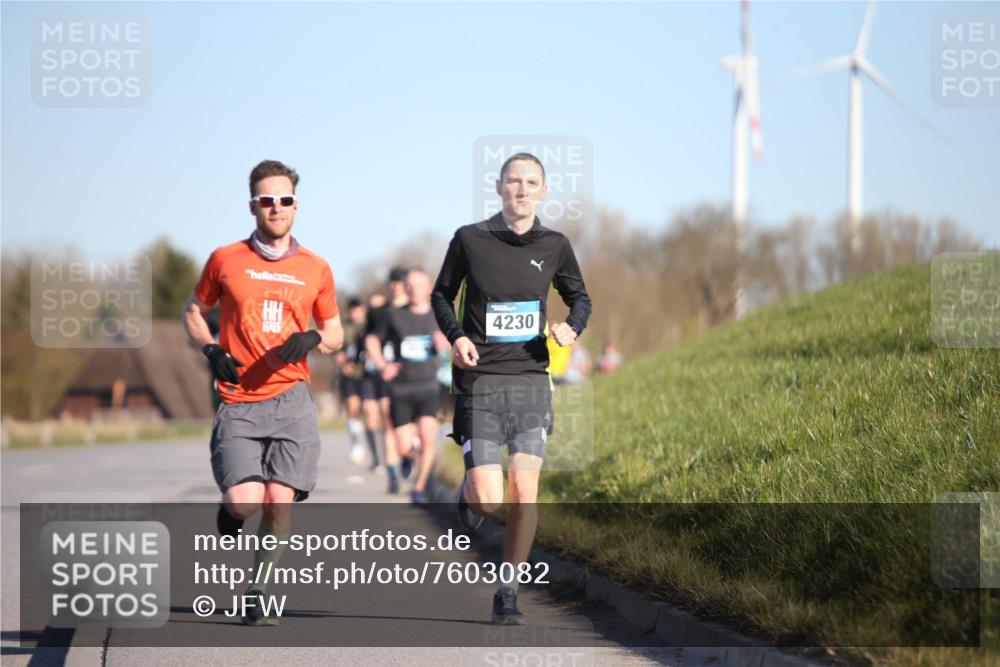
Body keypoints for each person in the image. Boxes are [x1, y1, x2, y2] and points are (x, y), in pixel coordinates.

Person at [431, 152, 592, 625]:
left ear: (544, 191)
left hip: (530, 381)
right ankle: (469, 498)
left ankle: (508, 589)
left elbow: (579, 297)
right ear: (499, 187)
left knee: (525, 489)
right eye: (513, 182)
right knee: (488, 498)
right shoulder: (469, 239)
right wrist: (457, 337)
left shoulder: (556, 244)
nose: (522, 190)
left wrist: (572, 328)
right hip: (480, 381)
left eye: (532, 182)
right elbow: (442, 294)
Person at [183, 159, 343, 625]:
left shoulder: (316, 267)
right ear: (253, 205)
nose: (276, 208)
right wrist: (210, 349)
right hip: (238, 400)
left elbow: (335, 333)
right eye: (267, 200)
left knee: (279, 500)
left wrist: (313, 339)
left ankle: (258, 590)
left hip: (292, 398)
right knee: (246, 501)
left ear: (296, 205)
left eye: (285, 200)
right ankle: (230, 512)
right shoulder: (225, 259)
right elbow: (194, 311)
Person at [365, 269, 449, 505]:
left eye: (418, 284)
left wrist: (445, 344)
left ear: (429, 287)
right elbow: (372, 339)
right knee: (403, 446)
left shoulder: (438, 315)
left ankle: (419, 488)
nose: (413, 289)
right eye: (409, 285)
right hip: (401, 388)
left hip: (428, 386)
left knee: (428, 439)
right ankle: (409, 457)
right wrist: (382, 365)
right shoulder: (393, 315)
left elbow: (453, 344)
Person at [361, 268, 411, 492]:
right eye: (393, 283)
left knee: (408, 430)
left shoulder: (417, 310)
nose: (396, 286)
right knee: (388, 423)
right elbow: (370, 337)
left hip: (414, 375)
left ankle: (407, 454)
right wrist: (380, 362)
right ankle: (392, 474)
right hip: (387, 375)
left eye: (400, 282)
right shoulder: (382, 312)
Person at [334, 297, 368, 464]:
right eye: (351, 310)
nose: (354, 313)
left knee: (370, 411)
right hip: (350, 374)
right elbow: (337, 347)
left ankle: (374, 449)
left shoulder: (370, 324)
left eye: (357, 309)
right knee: (352, 408)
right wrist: (342, 361)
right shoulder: (344, 326)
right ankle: (357, 443)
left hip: (368, 374)